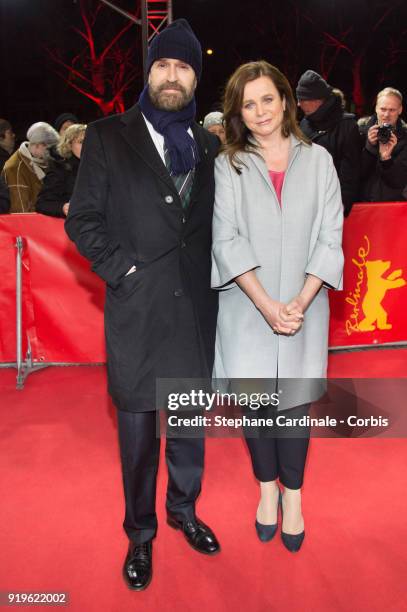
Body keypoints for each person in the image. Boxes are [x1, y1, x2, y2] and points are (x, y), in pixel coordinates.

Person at [65, 18, 220, 591]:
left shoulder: (208, 144)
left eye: (183, 66)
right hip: (137, 308)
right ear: (148, 72)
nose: (172, 76)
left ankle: (184, 508)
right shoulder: (109, 136)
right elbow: (82, 220)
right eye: (163, 65)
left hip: (194, 313)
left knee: (187, 426)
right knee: (136, 434)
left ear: (194, 77)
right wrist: (122, 270)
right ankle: (141, 533)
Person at [212, 61, 344, 552]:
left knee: (291, 411)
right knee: (256, 409)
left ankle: (294, 496)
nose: (261, 111)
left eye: (268, 99)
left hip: (303, 309)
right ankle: (266, 490)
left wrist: (300, 302)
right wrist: (267, 305)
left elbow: (330, 239)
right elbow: (225, 240)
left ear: (286, 102)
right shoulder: (229, 164)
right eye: (249, 104)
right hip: (247, 307)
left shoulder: (320, 161)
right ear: (239, 114)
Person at [296, 70, 361, 216]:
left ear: (318, 100)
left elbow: (350, 175)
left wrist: (339, 209)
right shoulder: (305, 124)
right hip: (306, 205)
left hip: (332, 206)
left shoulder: (347, 126)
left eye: (302, 99)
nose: (298, 104)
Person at [358, 87, 407, 202]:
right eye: (383, 109)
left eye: (392, 110)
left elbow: (400, 181)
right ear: (376, 108)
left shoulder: (405, 137)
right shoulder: (360, 131)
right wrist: (369, 147)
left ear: (400, 110)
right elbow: (354, 175)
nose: (386, 114)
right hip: (362, 204)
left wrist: (386, 159)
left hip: (392, 206)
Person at [2, 122, 59, 213]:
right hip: (28, 224)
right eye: (48, 148)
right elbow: (20, 211)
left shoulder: (45, 162)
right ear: (37, 145)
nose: (51, 152)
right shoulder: (15, 168)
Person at [36, 124, 86, 218]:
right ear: (69, 144)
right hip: (69, 226)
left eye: (89, 141)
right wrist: (62, 208)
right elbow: (42, 203)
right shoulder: (59, 169)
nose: (86, 145)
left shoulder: (99, 166)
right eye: (81, 142)